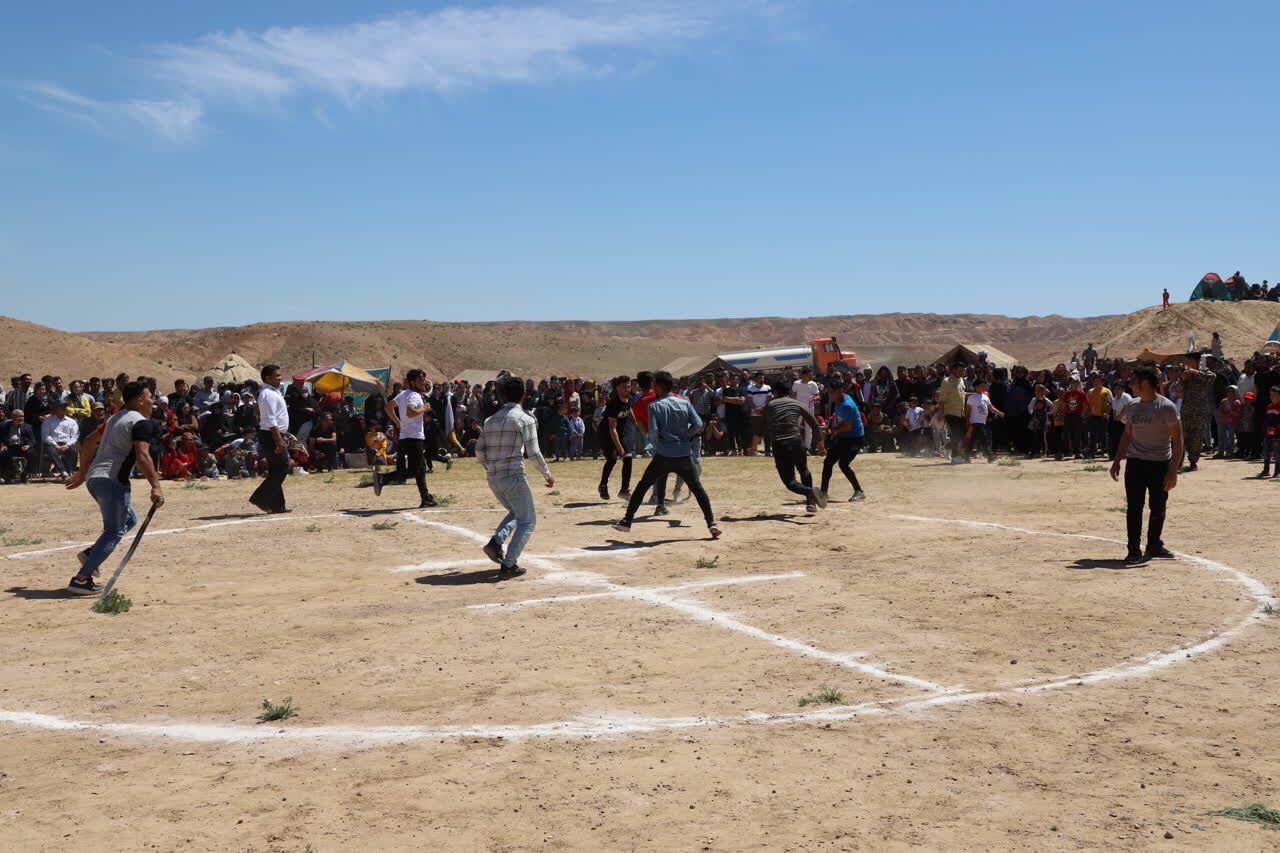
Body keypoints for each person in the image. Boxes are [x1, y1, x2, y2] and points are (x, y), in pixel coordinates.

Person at [63, 381, 164, 595]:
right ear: (139, 400)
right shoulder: (140, 422)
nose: (152, 401)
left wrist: (83, 472)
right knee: (114, 530)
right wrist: (156, 486)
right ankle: (81, 579)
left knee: (129, 520)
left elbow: (89, 440)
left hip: (95, 479)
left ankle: (92, 554)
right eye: (149, 396)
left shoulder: (113, 419)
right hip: (112, 480)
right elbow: (143, 455)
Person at [612, 371, 721, 538]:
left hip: (664, 454)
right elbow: (698, 423)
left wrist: (659, 445)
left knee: (643, 485)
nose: (652, 388)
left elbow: (653, 431)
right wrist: (686, 437)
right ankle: (711, 522)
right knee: (698, 488)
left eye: (654, 385)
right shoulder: (684, 402)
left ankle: (627, 521)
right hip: (684, 453)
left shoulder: (654, 405)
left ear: (660, 386)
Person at [475, 376, 555, 579]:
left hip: (493, 477)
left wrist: (490, 467)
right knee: (527, 521)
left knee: (516, 512)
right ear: (524, 395)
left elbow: (479, 450)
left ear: (501, 396)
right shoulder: (525, 419)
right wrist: (547, 475)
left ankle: (496, 542)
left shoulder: (489, 420)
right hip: (513, 475)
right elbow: (534, 453)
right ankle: (509, 564)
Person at [1110, 367, 1182, 565]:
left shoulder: (1166, 407)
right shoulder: (1133, 406)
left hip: (1159, 464)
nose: (1130, 385)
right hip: (1135, 463)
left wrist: (1173, 471)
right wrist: (1117, 460)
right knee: (1134, 507)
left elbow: (1178, 439)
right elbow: (1126, 434)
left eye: (1134, 381)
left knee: (1158, 507)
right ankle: (1133, 550)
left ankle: (1154, 545)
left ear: (1145, 383)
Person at [763, 380, 827, 513]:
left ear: (775, 393)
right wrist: (821, 446)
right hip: (796, 441)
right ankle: (811, 503)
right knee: (803, 469)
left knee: (790, 482)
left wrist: (753, 447)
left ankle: (810, 492)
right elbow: (814, 424)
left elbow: (762, 428)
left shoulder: (770, 405)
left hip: (779, 443)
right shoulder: (797, 403)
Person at [386, 369, 438, 509]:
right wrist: (424, 409)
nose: (424, 383)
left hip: (405, 437)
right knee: (418, 469)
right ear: (412, 382)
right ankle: (425, 498)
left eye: (424, 380)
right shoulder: (414, 395)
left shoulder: (403, 394)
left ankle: (426, 498)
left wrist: (397, 422)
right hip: (414, 437)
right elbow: (411, 412)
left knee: (415, 470)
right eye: (421, 380)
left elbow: (388, 407)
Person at [249, 364, 290, 514]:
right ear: (268, 378)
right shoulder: (268, 394)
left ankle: (277, 506)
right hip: (272, 435)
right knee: (283, 467)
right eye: (277, 375)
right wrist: (279, 440)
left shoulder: (274, 392)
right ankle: (260, 497)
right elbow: (270, 419)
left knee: (276, 469)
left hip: (275, 434)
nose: (280, 378)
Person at [820, 375, 867, 501]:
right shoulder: (839, 399)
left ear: (839, 391)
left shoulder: (847, 405)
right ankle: (823, 493)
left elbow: (847, 427)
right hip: (843, 437)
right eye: (829, 392)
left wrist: (832, 430)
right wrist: (829, 424)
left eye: (831, 392)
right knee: (828, 462)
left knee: (843, 464)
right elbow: (837, 416)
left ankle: (859, 491)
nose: (829, 395)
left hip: (855, 439)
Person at [598, 376, 633, 500]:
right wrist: (619, 448)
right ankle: (603, 485)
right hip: (607, 434)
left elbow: (629, 411)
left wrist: (639, 424)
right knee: (612, 459)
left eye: (628, 386)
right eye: (624, 387)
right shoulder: (613, 403)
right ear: (617, 388)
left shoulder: (629, 399)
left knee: (628, 458)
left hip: (620, 433)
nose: (627, 389)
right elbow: (612, 428)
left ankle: (624, 490)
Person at [40, 400, 79, 481]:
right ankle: (63, 472)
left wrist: (67, 445)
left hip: (67, 443)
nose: (64, 408)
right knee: (52, 451)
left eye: (65, 406)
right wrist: (55, 445)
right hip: (53, 443)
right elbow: (45, 435)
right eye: (62, 407)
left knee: (74, 451)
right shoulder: (48, 420)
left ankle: (70, 471)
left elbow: (75, 435)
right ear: (56, 409)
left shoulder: (72, 421)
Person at [940, 361, 967, 463]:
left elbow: (963, 394)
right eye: (960, 370)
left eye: (963, 370)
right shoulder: (946, 382)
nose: (962, 372)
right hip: (950, 413)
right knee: (956, 435)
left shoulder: (961, 380)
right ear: (953, 370)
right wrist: (942, 415)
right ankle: (955, 457)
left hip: (961, 412)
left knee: (961, 435)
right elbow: (942, 400)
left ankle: (947, 447)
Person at [0, 409, 35, 483]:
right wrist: (2, 445)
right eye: (19, 416)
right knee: (2, 454)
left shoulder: (27, 427)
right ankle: (5, 475)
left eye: (22, 416)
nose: (21, 418)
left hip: (23, 447)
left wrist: (28, 445)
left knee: (33, 454)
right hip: (10, 447)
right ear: (13, 417)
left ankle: (25, 473)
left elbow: (33, 440)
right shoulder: (3, 426)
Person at [792, 367, 820, 451]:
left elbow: (818, 396)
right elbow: (793, 395)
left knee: (809, 429)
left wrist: (814, 398)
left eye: (811, 375)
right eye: (809, 375)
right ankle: (796, 446)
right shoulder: (796, 383)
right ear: (804, 375)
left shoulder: (813, 384)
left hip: (810, 409)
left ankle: (807, 448)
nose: (811, 376)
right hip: (798, 408)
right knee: (795, 427)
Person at [1258, 385, 1280, 478]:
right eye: (1271, 395)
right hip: (1268, 434)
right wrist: (1265, 430)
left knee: (1278, 454)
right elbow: (1265, 420)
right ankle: (1266, 470)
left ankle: (1277, 472)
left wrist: (1276, 429)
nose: (1272, 397)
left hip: (1278, 435)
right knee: (1266, 453)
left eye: (1274, 395)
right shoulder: (1269, 406)